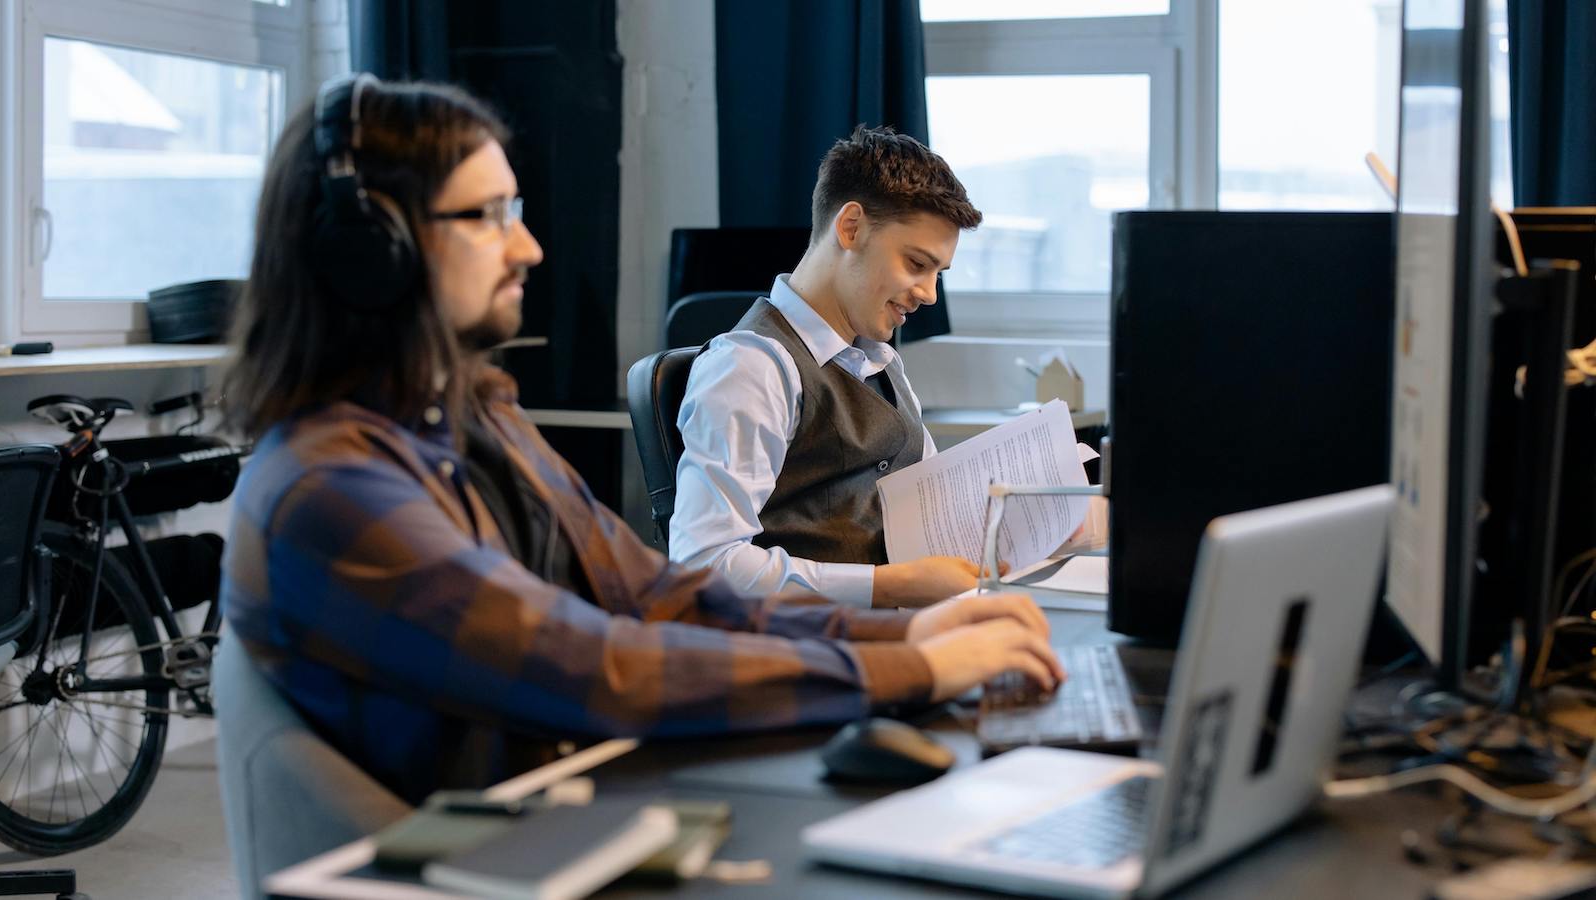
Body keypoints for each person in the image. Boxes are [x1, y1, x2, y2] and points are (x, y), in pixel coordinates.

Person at [219, 75, 1062, 803]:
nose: (529, 245)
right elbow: (589, 665)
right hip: (501, 846)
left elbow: (658, 595)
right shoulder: (329, 487)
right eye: (486, 216)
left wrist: (906, 637)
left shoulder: (475, 420)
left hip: (583, 791)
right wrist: (902, 670)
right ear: (375, 253)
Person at [669, 126, 995, 608]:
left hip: (897, 635)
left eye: (937, 275)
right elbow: (704, 564)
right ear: (851, 228)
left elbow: (930, 503)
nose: (928, 294)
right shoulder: (751, 368)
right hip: (806, 659)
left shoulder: (883, 363)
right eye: (915, 264)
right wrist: (892, 586)